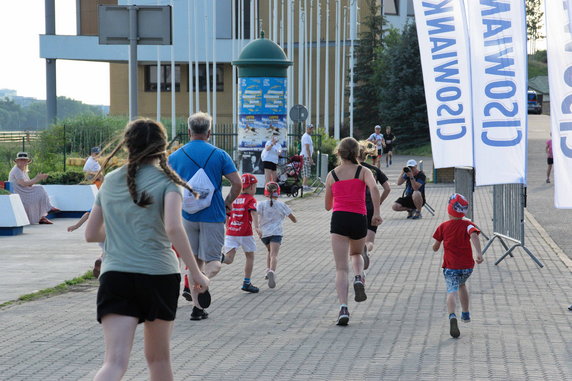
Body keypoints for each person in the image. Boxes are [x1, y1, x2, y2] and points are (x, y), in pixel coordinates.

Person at [84, 118, 210, 380]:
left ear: (127, 144)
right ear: (162, 147)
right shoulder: (168, 182)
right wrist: (196, 273)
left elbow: (91, 233)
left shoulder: (109, 181)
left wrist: (123, 229)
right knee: (159, 360)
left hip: (116, 275)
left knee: (114, 362)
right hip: (159, 276)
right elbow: (174, 228)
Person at [169, 112, 242, 321]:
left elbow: (165, 185)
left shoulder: (175, 156)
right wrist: (228, 202)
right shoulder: (220, 155)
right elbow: (237, 184)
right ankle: (205, 282)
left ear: (189, 131)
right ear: (209, 132)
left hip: (187, 215)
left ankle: (197, 308)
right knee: (213, 261)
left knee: (193, 263)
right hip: (214, 215)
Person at [324, 137, 382, 326]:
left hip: (339, 219)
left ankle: (343, 308)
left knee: (341, 268)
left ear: (338, 153)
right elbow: (374, 188)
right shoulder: (364, 171)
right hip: (359, 218)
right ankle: (359, 277)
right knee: (356, 252)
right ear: (358, 153)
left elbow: (327, 206)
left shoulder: (332, 175)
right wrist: (377, 213)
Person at [432, 193, 484, 338]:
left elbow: (435, 247)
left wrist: (435, 246)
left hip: (450, 267)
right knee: (462, 285)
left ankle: (452, 316)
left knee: (452, 290)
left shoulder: (443, 226)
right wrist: (479, 253)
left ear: (449, 210)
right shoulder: (468, 225)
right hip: (467, 267)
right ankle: (466, 313)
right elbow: (474, 235)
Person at [221, 173, 261, 293]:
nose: (255, 189)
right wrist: (257, 227)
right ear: (250, 187)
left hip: (231, 232)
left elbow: (227, 215)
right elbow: (254, 213)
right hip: (245, 233)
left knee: (229, 259)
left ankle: (217, 258)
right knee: (250, 256)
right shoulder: (251, 200)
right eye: (255, 186)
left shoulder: (234, 198)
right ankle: (246, 282)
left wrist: (228, 227)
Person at [257, 181, 297, 289]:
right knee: (274, 255)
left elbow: (254, 214)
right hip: (276, 233)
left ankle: (267, 270)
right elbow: (293, 218)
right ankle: (272, 271)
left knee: (269, 251)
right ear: (278, 193)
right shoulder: (281, 205)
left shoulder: (260, 204)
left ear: (266, 192)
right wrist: (294, 220)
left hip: (264, 234)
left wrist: (257, 227)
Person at [357, 141, 390, 270]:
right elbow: (387, 188)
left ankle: (358, 258)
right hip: (371, 207)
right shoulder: (374, 170)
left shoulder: (353, 169)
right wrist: (379, 202)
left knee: (356, 238)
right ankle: (367, 248)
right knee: (370, 239)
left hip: (356, 207)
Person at [8, 152, 59, 225]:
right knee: (39, 189)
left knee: (39, 191)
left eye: (24, 160)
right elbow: (23, 183)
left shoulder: (23, 171)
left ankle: (42, 216)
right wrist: (36, 178)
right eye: (21, 160)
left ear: (27, 162)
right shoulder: (16, 170)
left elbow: (29, 184)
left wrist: (39, 179)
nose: (23, 162)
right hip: (20, 193)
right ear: (17, 161)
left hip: (25, 191)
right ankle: (47, 209)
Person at [67, 209, 104, 278]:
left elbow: (87, 214)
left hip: (99, 232)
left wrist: (76, 226)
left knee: (105, 250)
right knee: (111, 251)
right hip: (113, 231)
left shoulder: (101, 203)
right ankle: (102, 262)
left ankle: (100, 260)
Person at [300, 123, 315, 190]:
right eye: (311, 128)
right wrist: (310, 158)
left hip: (307, 156)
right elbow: (307, 148)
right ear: (308, 129)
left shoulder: (308, 136)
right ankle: (303, 185)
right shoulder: (306, 136)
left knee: (307, 171)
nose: (312, 130)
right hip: (305, 156)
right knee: (306, 171)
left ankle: (305, 185)